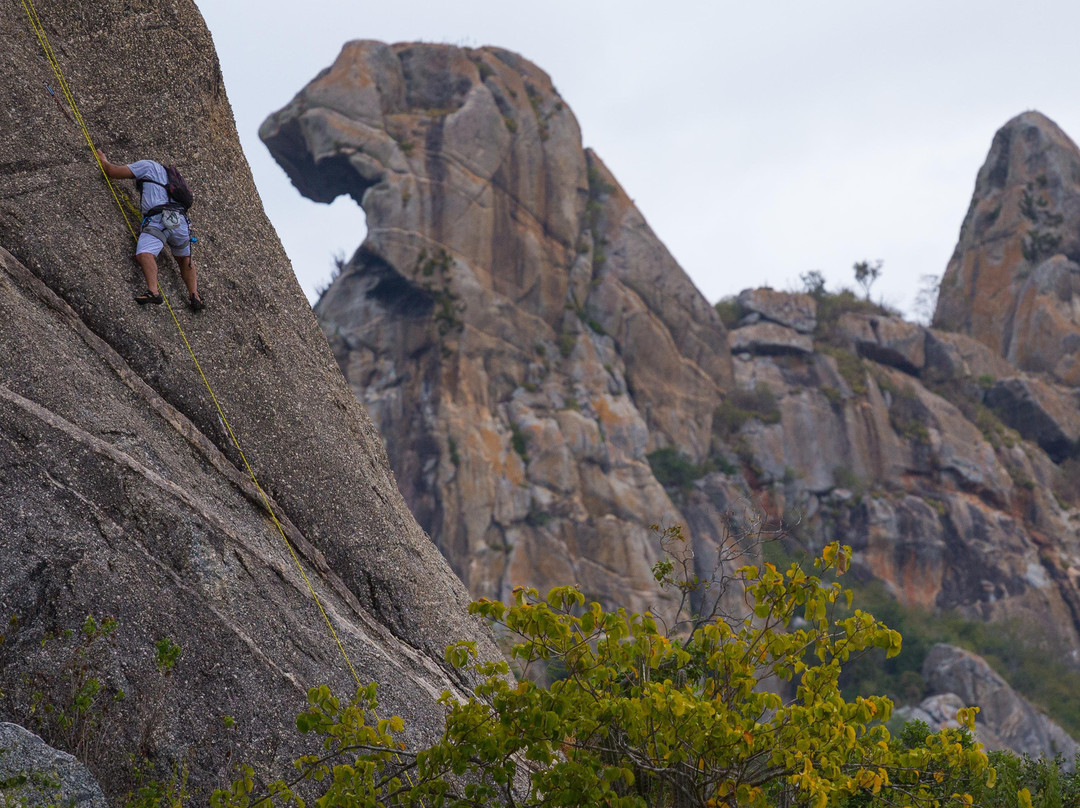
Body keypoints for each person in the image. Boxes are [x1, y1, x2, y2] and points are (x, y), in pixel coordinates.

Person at [95, 150, 205, 310]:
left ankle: (153, 291)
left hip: (158, 219)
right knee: (184, 259)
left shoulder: (146, 166)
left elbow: (113, 172)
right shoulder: (173, 178)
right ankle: (195, 295)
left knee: (145, 254)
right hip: (180, 222)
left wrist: (104, 161)